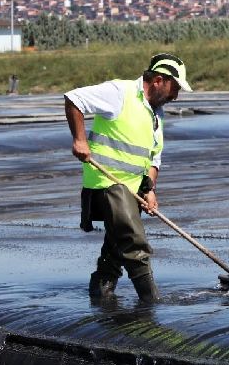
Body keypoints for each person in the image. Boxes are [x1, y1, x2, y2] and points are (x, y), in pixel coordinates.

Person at [64, 53, 192, 303]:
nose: (176, 96)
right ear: (158, 80)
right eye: (175, 88)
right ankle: (151, 300)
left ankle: (101, 292)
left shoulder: (156, 114)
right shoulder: (120, 93)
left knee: (115, 246)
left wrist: (149, 189)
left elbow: (153, 157)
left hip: (134, 188)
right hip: (108, 183)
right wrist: (79, 140)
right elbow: (74, 98)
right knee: (133, 241)